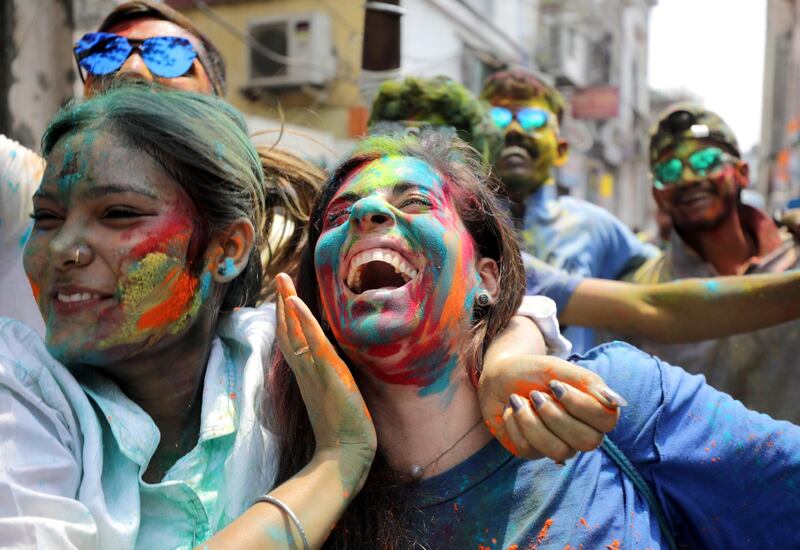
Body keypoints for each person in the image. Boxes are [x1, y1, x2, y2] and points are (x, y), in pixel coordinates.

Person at [272, 129, 800, 549]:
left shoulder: (614, 402)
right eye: (340, 215)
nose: (368, 215)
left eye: (414, 201)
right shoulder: (286, 474)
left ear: (488, 278)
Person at [368, 75, 800, 346]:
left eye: (534, 121)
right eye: (500, 119)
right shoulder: (409, 235)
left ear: (560, 148)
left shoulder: (591, 228)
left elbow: (658, 297)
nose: (516, 129)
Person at [0, 0, 316, 333]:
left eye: (169, 55)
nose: (130, 69)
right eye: (104, 52)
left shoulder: (285, 246)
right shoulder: (28, 193)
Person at [627, 103, 800, 423]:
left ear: (742, 173)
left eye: (706, 161)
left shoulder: (794, 261)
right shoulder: (643, 293)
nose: (690, 178)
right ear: (658, 195)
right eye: (671, 171)